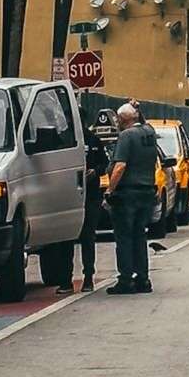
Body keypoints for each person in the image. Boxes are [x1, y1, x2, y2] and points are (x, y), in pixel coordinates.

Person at [105, 101, 159, 295]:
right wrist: (136, 109)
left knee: (124, 237)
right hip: (146, 191)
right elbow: (142, 122)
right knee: (139, 236)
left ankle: (126, 279)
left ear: (122, 119)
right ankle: (143, 278)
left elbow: (120, 166)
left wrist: (109, 191)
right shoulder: (149, 132)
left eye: (118, 119)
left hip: (127, 193)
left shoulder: (126, 137)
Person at [70, 116, 114, 295]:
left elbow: (105, 163)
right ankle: (65, 279)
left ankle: (88, 276)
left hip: (91, 195)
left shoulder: (93, 140)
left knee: (88, 236)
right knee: (67, 239)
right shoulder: (66, 139)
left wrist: (95, 172)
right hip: (69, 195)